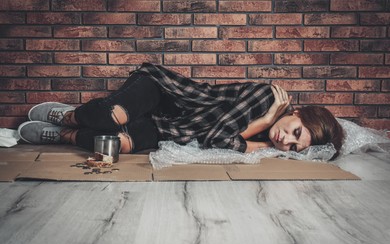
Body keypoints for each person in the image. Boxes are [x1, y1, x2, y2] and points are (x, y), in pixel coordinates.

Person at [18, 63, 345, 159]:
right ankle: (69, 115)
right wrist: (259, 126)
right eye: (295, 131)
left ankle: (66, 136)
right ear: (298, 112)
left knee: (119, 147)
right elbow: (218, 138)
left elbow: (213, 140)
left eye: (291, 146)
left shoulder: (269, 139)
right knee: (114, 115)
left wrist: (258, 140)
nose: (283, 139)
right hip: (164, 95)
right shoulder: (265, 98)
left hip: (171, 128)